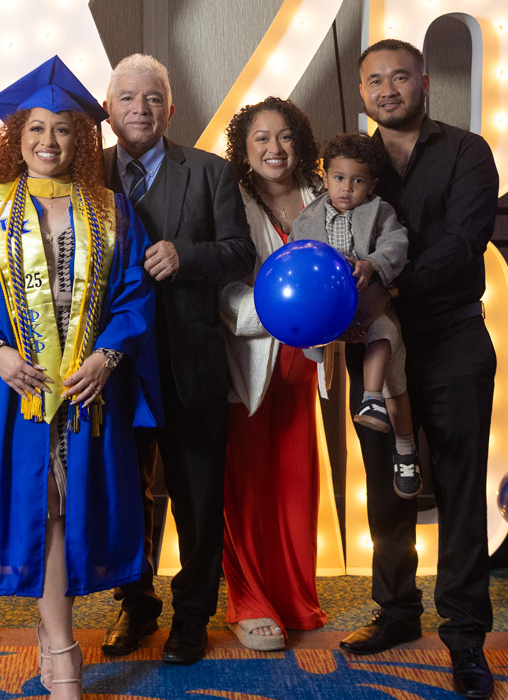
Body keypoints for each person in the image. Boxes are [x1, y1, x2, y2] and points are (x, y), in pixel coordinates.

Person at [0, 57, 158, 700]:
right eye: (35, 129)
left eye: (63, 130)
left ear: (82, 140)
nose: (49, 141)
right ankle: (61, 651)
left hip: (87, 389)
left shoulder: (112, 211)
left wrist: (107, 358)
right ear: (16, 137)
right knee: (42, 509)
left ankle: (58, 645)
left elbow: (134, 296)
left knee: (70, 511)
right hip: (13, 390)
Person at [340, 39, 500, 700]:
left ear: (424, 82)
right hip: (375, 343)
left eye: (399, 76)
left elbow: (465, 242)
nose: (387, 89)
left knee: (460, 487)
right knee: (386, 485)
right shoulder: (354, 163)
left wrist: (390, 288)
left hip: (452, 337)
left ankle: (465, 636)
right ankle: (397, 611)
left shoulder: (467, 151)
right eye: (375, 80)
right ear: (362, 93)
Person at [100, 53, 255, 667]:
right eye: (128, 97)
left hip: (189, 364)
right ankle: (136, 604)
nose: (140, 108)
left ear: (172, 109)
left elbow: (240, 252)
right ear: (108, 109)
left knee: (197, 497)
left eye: (153, 98)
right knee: (123, 493)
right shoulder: (86, 171)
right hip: (112, 367)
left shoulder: (211, 172)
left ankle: (193, 616)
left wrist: (185, 255)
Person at [217, 97, 330, 651]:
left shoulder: (327, 196)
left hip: (307, 362)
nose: (274, 148)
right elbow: (221, 285)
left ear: (300, 144)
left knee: (295, 482)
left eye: (284, 136)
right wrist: (277, 312)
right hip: (252, 360)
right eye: (260, 138)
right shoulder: (229, 199)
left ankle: (294, 596)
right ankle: (249, 602)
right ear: (244, 149)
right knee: (247, 485)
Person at [290, 133, 417, 494]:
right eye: (339, 178)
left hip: (369, 301)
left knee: (386, 343)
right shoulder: (307, 218)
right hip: (326, 309)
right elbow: (299, 259)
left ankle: (381, 412)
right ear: (325, 177)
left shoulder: (380, 211)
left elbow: (396, 244)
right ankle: (325, 347)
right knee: (317, 340)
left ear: (371, 184)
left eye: (357, 181)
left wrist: (372, 264)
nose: (346, 188)